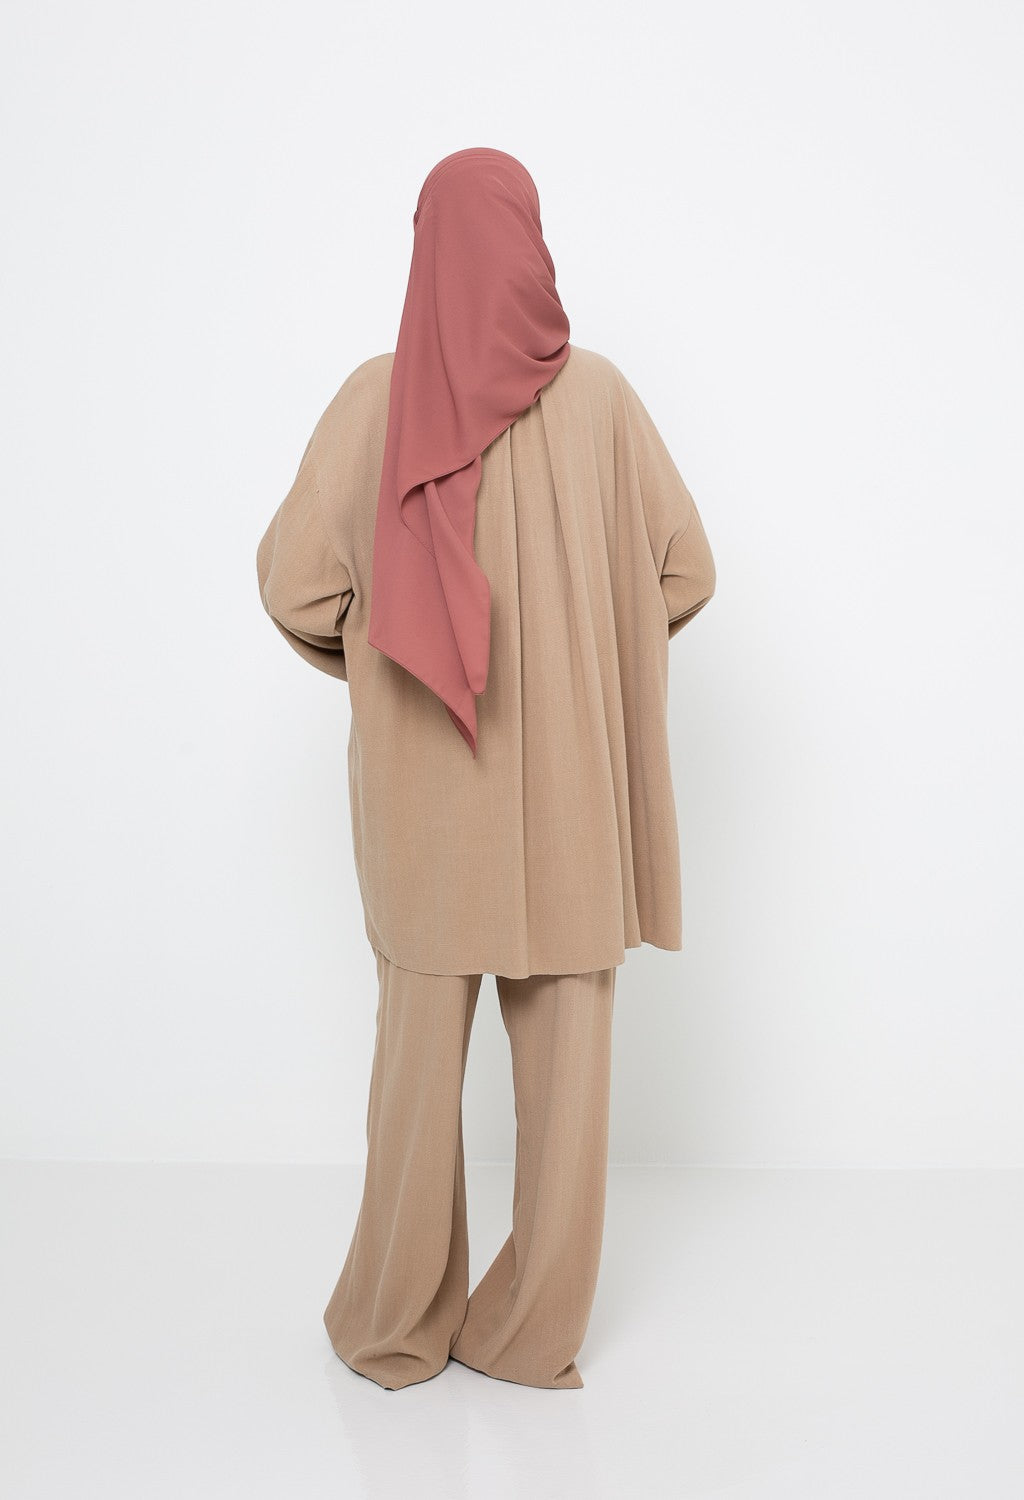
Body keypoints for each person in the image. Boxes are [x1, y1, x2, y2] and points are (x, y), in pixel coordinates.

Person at [256, 147, 716, 1392]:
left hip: (424, 803)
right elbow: (687, 570)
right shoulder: (604, 401)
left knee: (413, 1074)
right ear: (531, 242)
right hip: (574, 805)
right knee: (569, 1086)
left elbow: (295, 585)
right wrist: (598, 650)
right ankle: (525, 1336)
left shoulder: (375, 400)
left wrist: (374, 663)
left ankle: (395, 1325)